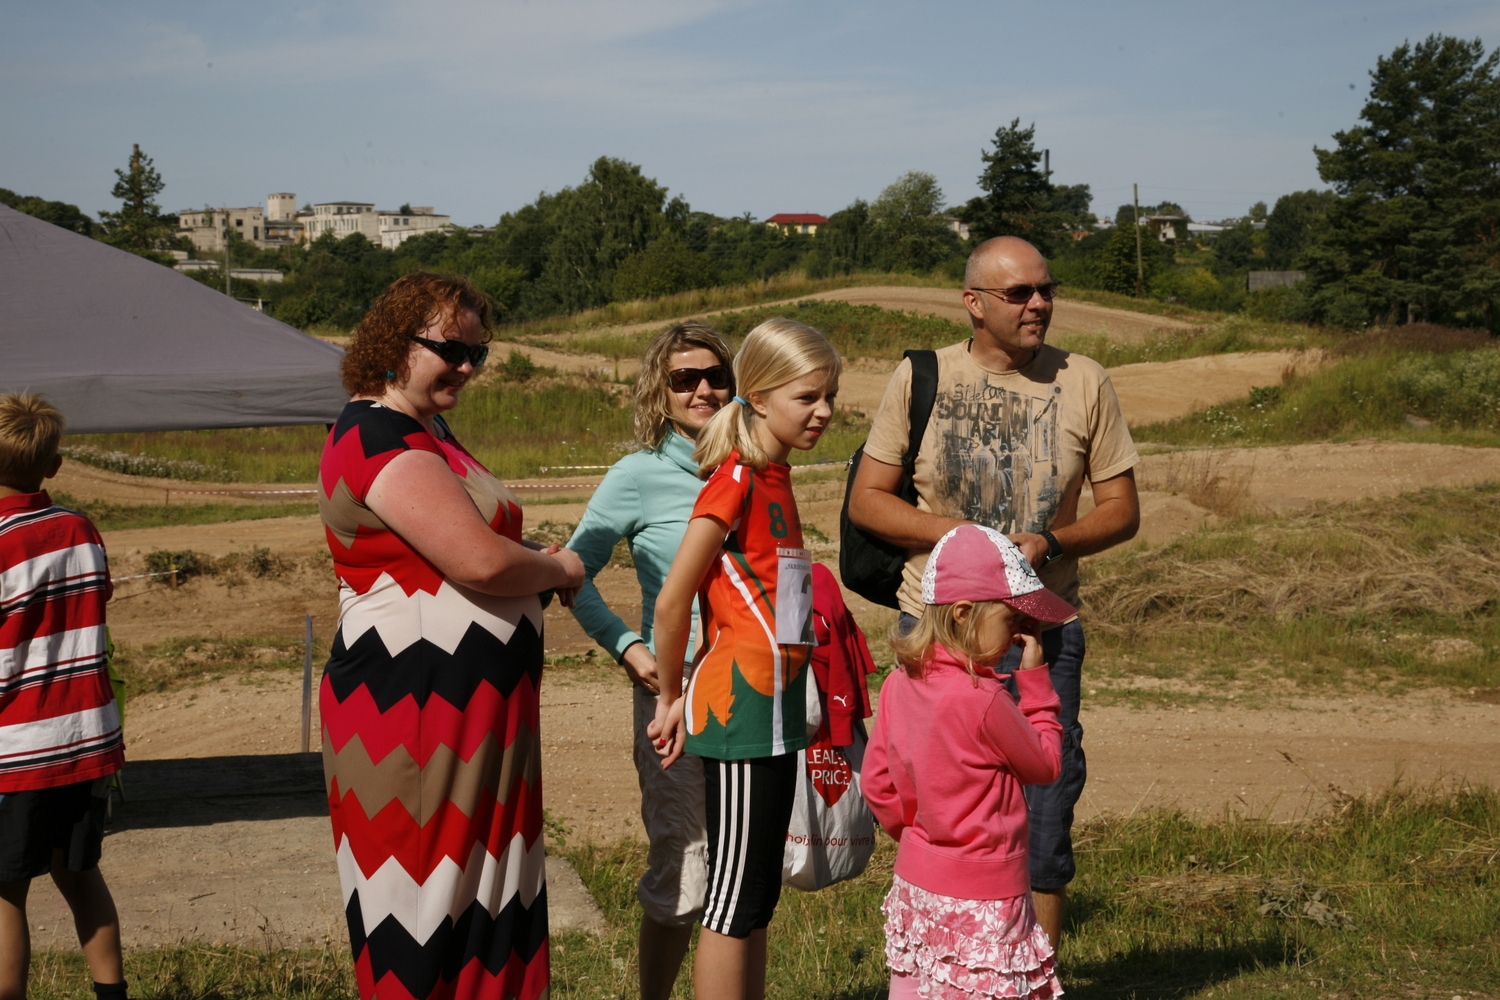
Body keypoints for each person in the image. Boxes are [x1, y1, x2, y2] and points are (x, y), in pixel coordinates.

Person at [847, 235, 1140, 947]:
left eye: (1046, 290)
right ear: (973, 304)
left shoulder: (1085, 381)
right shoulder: (923, 378)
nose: (1039, 304)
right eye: (1020, 294)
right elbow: (868, 502)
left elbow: (1123, 510)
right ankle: (945, 963)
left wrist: (1054, 542)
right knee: (943, 814)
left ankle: (1028, 975)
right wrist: (963, 539)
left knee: (1044, 809)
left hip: (1040, 631)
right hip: (936, 633)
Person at [317, 273, 583, 1000]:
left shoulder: (426, 431)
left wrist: (532, 565)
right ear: (394, 345)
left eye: (478, 354)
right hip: (417, 723)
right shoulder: (374, 434)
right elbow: (479, 560)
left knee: (482, 921)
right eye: (451, 351)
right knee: (425, 924)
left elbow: (479, 548)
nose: (466, 368)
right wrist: (556, 565)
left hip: (475, 724)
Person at [649, 318, 841, 1000]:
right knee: (732, 901)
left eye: (830, 397)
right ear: (758, 396)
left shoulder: (775, 476)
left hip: (779, 709)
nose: (823, 412)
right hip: (739, 712)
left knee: (757, 896)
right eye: (807, 397)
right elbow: (674, 602)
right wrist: (672, 696)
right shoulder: (732, 479)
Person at [564, 321, 734, 1000]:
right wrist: (629, 649)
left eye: (714, 375)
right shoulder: (636, 475)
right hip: (678, 693)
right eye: (683, 378)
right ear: (659, 391)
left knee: (742, 867)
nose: (702, 389)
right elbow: (573, 572)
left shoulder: (755, 464)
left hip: (750, 689)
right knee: (684, 866)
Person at [863, 525, 1073, 1000]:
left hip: (917, 882)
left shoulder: (900, 683)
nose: (1020, 634)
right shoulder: (986, 702)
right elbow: (1044, 765)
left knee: (916, 985)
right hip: (987, 893)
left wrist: (923, 839)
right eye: (1012, 619)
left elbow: (877, 783)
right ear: (962, 614)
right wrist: (1035, 682)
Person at [0, 394, 128, 1000]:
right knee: (79, 874)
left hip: (15, 751)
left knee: (4, 892)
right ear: (53, 466)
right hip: (84, 743)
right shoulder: (80, 528)